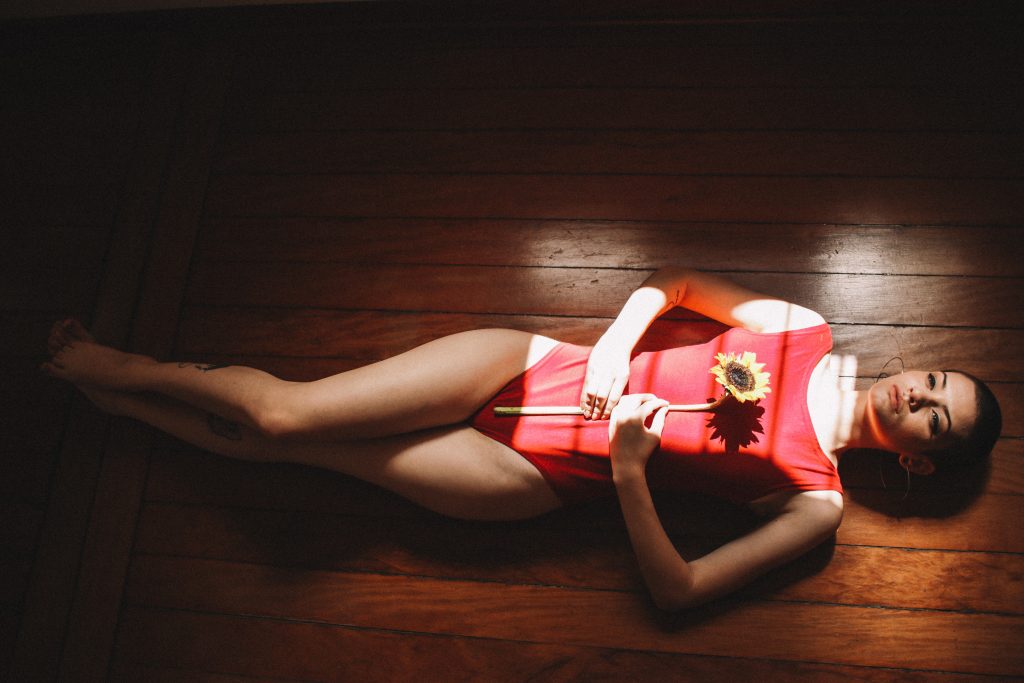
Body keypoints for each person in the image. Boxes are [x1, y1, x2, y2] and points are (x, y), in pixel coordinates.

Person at [41, 267, 1000, 611]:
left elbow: (679, 591)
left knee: (290, 448)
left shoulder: (817, 503)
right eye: (935, 379)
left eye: (935, 415)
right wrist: (616, 342)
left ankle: (125, 409)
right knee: (288, 412)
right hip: (526, 365)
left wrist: (630, 473)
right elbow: (674, 284)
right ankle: (123, 368)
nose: (917, 393)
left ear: (916, 457)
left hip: (527, 476)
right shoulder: (806, 329)